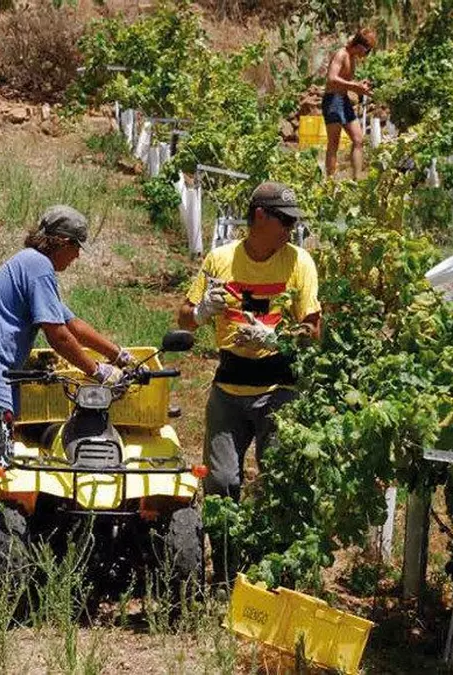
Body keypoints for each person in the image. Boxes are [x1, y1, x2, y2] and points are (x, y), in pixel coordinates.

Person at [0, 205, 130, 593]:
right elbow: (57, 335)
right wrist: (98, 372)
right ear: (63, 243)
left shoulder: (28, 265)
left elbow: (71, 323)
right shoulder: (38, 267)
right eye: (77, 248)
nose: (77, 258)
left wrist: (118, 354)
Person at [178, 182, 321, 502]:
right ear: (260, 216)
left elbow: (313, 331)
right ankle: (225, 534)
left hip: (279, 388)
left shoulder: (299, 262)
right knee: (220, 483)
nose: (291, 229)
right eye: (285, 220)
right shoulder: (220, 260)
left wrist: (275, 338)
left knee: (279, 481)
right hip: (229, 388)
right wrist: (202, 311)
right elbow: (184, 318)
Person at [323, 29, 376, 180]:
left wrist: (361, 87)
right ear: (360, 46)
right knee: (334, 143)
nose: (367, 54)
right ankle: (329, 183)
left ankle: (356, 180)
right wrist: (354, 86)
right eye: (368, 50)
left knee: (358, 139)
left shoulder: (352, 58)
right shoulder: (341, 54)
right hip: (332, 101)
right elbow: (331, 78)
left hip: (344, 99)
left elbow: (346, 82)